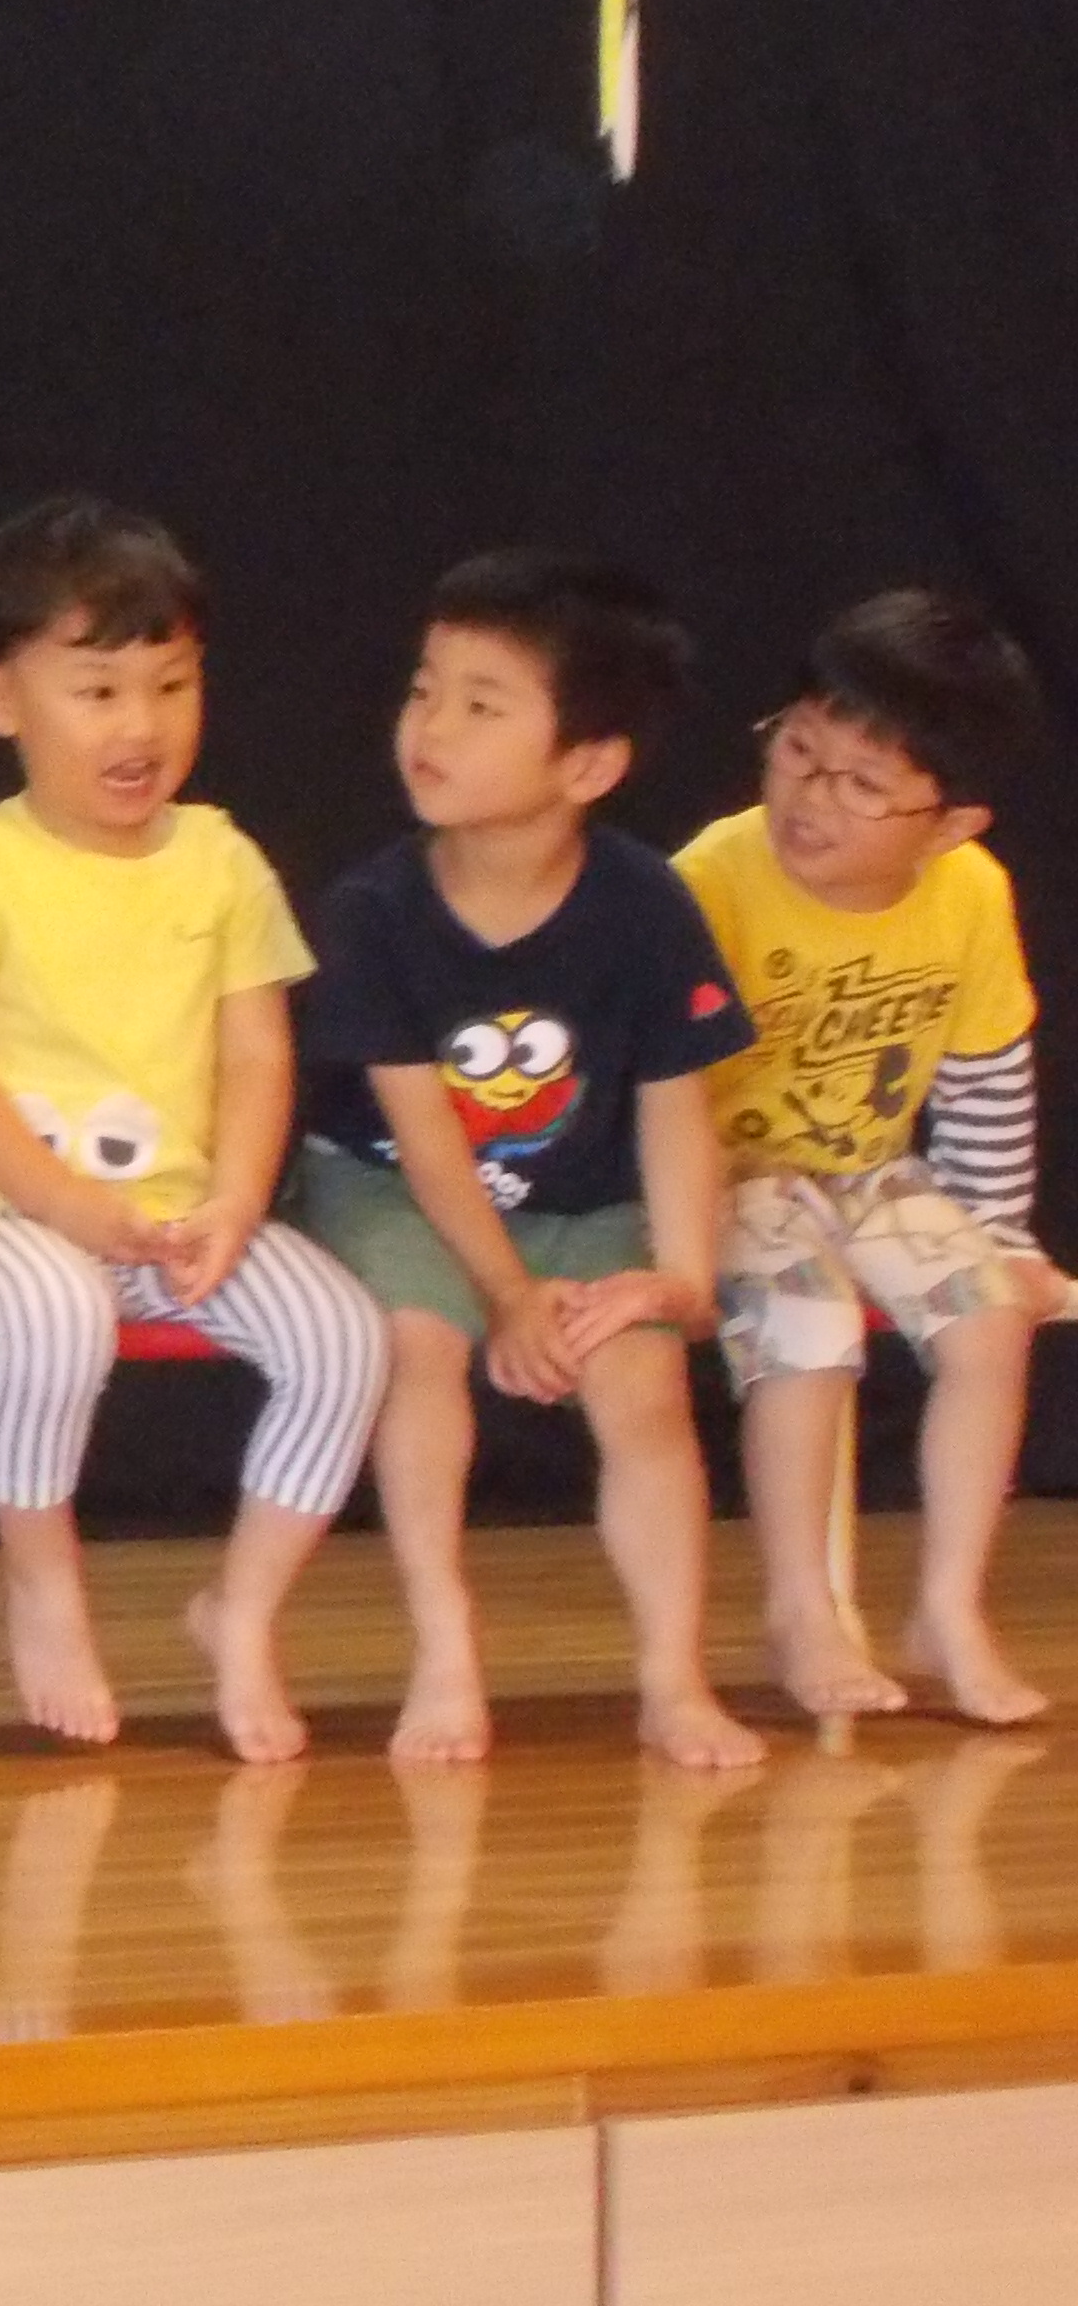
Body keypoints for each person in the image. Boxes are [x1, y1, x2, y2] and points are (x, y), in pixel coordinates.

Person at [0, 495, 384, 1764]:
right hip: (7, 1220)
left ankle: (241, 1611)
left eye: (172, 685)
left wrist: (236, 1202)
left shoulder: (222, 861)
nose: (141, 726)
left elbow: (257, 1054)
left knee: (343, 1338)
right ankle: (44, 1586)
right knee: (58, 1313)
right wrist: (65, 1205)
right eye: (97, 692)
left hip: (179, 1223)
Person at [282, 555, 760, 1773]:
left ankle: (673, 1678)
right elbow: (426, 1133)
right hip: (395, 1188)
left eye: (481, 705)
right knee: (418, 1348)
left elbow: (675, 1107)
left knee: (644, 1390)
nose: (430, 726)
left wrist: (681, 1279)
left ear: (587, 766)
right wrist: (503, 1293)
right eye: (424, 689)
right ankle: (445, 1647)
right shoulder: (375, 910)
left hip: (582, 1202)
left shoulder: (648, 906)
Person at [673, 589, 1056, 1726]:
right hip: (732, 1175)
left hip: (872, 1170)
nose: (811, 796)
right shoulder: (710, 880)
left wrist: (1000, 1233)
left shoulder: (972, 895)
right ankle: (803, 1610)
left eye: (863, 784)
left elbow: (986, 1074)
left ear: (949, 824)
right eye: (798, 750)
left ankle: (948, 1606)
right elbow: (660, 1087)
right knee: (809, 1326)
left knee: (991, 1318)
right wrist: (682, 1231)